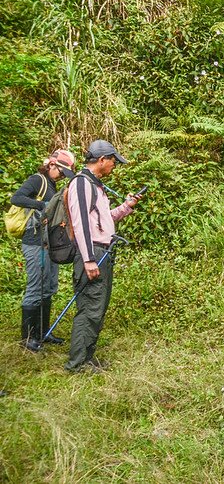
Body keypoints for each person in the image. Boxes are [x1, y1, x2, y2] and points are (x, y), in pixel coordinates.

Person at [64, 140, 142, 373]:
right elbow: (81, 226)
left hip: (103, 252)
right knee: (89, 308)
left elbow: (102, 221)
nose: (114, 166)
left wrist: (126, 206)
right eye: (113, 161)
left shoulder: (95, 186)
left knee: (97, 306)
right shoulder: (81, 184)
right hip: (92, 254)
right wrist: (88, 259)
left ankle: (87, 358)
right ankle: (77, 363)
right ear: (102, 160)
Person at [10, 149, 76, 352]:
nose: (63, 176)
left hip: (49, 244)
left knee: (48, 287)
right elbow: (17, 198)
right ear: (52, 165)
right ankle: (28, 338)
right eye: (62, 171)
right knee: (35, 288)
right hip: (34, 243)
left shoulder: (53, 183)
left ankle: (43, 332)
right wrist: (41, 205)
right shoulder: (38, 180)